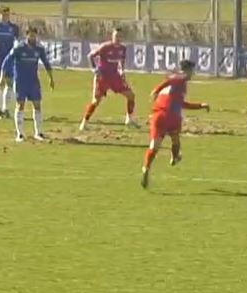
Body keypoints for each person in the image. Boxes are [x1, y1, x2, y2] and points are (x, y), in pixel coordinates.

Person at [141, 59, 210, 189]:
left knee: (154, 147)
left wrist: (200, 105)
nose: (193, 73)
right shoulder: (180, 78)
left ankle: (146, 168)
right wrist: (156, 90)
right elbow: (170, 80)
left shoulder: (175, 87)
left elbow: (181, 103)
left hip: (158, 115)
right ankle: (175, 157)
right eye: (192, 71)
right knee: (175, 139)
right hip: (172, 117)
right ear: (187, 70)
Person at [0, 27, 57, 143]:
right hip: (21, 81)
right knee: (20, 105)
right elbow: (7, 61)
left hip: (33, 81)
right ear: (26, 36)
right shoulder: (19, 48)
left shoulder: (39, 49)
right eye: (31, 36)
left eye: (34, 36)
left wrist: (51, 79)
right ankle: (20, 134)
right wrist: (2, 77)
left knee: (37, 105)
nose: (33, 38)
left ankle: (39, 132)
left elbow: (46, 63)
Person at [80, 28, 139, 130]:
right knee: (95, 101)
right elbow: (90, 56)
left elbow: (121, 62)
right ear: (112, 37)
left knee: (131, 95)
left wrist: (122, 71)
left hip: (115, 77)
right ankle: (84, 123)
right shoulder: (105, 47)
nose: (118, 38)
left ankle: (129, 120)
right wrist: (94, 70)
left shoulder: (122, 48)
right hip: (103, 77)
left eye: (119, 36)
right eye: (116, 36)